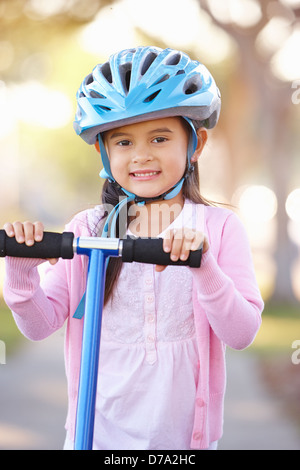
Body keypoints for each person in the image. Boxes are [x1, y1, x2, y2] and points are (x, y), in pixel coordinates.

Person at [3, 46, 264, 450]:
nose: (141, 155)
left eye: (160, 138)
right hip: (96, 436)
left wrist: (204, 266)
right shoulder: (88, 230)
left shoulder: (218, 227)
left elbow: (242, 332)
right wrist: (21, 272)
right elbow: (39, 326)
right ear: (103, 153)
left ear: (196, 143)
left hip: (184, 443)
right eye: (123, 142)